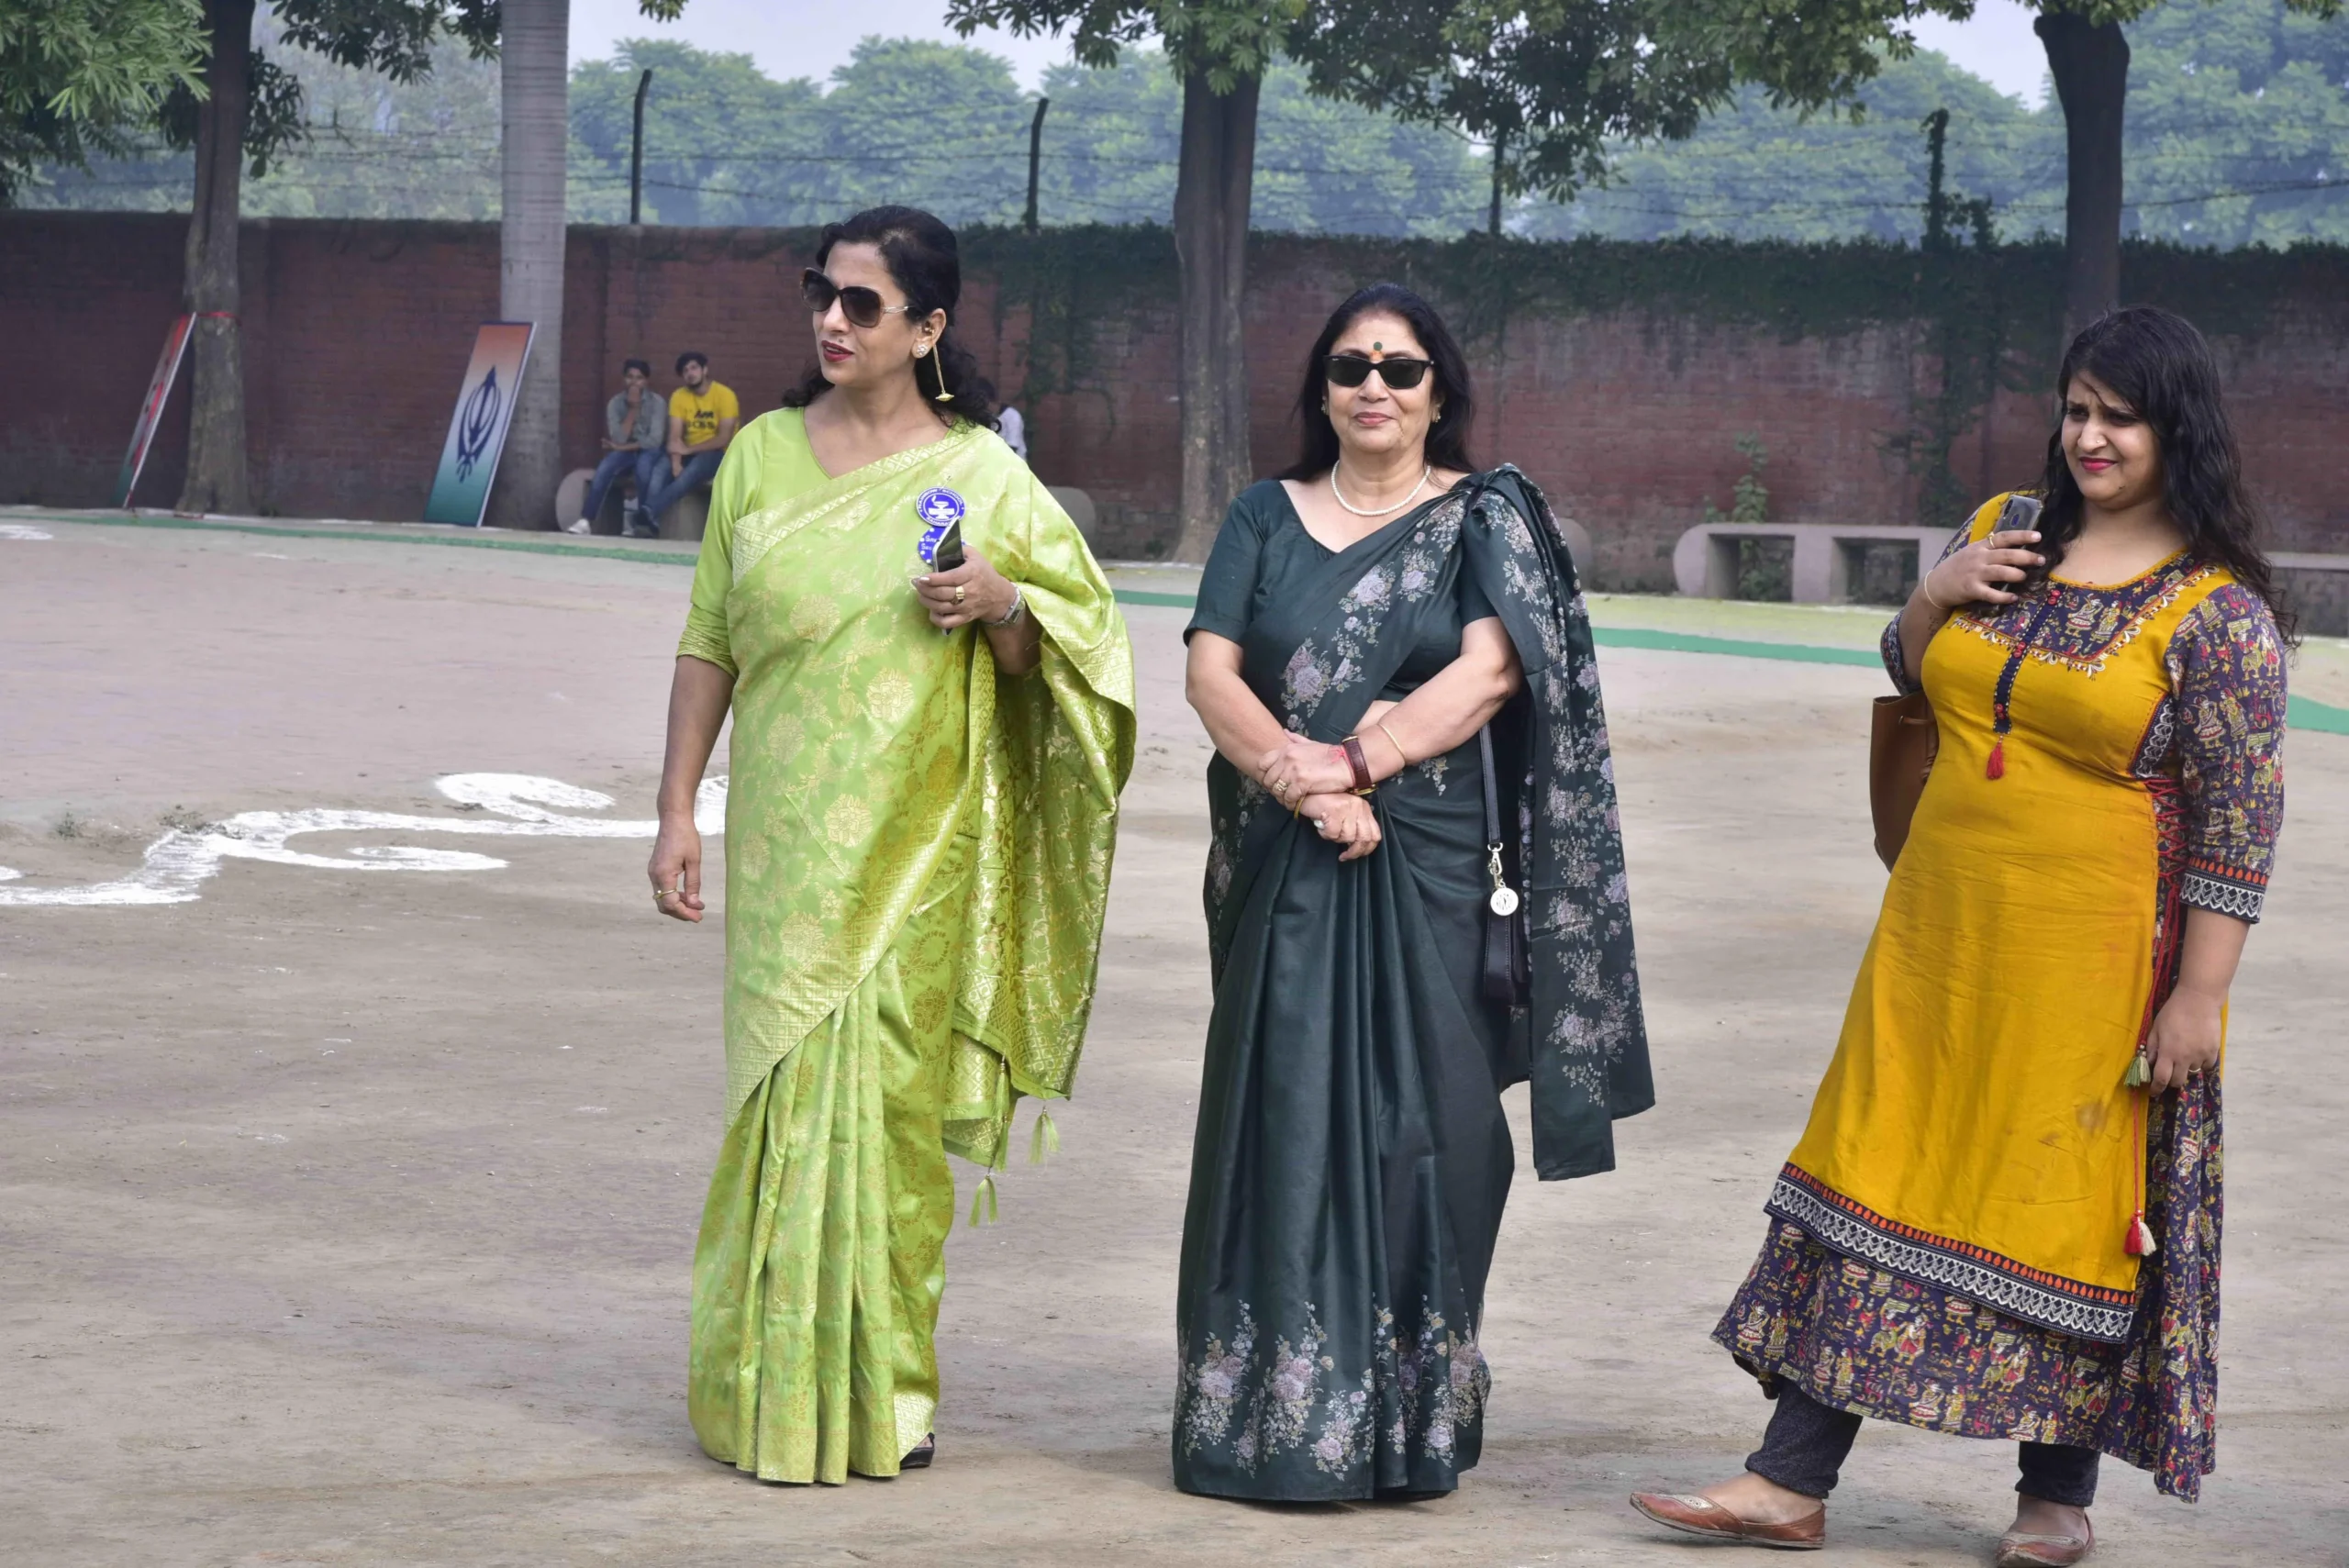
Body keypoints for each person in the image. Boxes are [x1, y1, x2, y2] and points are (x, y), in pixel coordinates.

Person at [1631, 305, 2289, 1564]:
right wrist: (1936, 590)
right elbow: (1908, 666)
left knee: (2061, 1197)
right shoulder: (2006, 532)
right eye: (2077, 409)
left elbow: (2239, 826)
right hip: (1935, 935)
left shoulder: (2216, 615)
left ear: (2178, 430)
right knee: (1880, 1156)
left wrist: (2199, 996)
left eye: (2121, 417)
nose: (2090, 437)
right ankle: (1787, 1481)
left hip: (2091, 963)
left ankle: (2054, 1499)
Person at [648, 205, 1135, 1485]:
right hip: (782, 852)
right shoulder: (758, 454)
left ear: (927, 328)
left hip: (918, 855)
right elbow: (709, 640)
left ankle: (887, 1397)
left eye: (862, 303)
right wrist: (676, 808)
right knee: (778, 1105)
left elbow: (1075, 649)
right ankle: (763, 1391)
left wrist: (1002, 602)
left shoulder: (981, 475)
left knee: (890, 1122)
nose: (832, 319)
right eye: (822, 291)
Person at [1174, 283, 1651, 1502]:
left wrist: (1357, 761)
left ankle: (1406, 1419)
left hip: (1434, 863)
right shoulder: (1263, 514)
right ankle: (1273, 1420)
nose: (1374, 387)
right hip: (1291, 859)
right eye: (1350, 367)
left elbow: (1492, 673)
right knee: (1285, 1119)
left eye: (1399, 367)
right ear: (1321, 389)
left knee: (1428, 1138)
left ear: (1440, 390)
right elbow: (1212, 673)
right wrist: (1302, 782)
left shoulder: (1483, 517)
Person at [640, 351, 740, 535]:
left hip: (719, 453)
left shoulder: (725, 395)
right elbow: (674, 436)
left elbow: (724, 438)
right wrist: (676, 462)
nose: (690, 373)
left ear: (705, 370)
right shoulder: (679, 396)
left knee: (690, 474)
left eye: (694, 368)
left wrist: (688, 450)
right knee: (660, 470)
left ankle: (649, 511)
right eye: (685, 371)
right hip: (686, 450)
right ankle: (650, 523)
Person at [566, 358, 664, 535]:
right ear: (624, 379)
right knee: (605, 468)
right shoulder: (615, 403)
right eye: (630, 377)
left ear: (646, 381)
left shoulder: (657, 403)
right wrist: (633, 410)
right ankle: (586, 520)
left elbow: (654, 441)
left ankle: (643, 524)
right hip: (625, 451)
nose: (634, 382)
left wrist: (621, 448)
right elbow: (619, 438)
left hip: (649, 451)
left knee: (643, 470)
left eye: (639, 378)